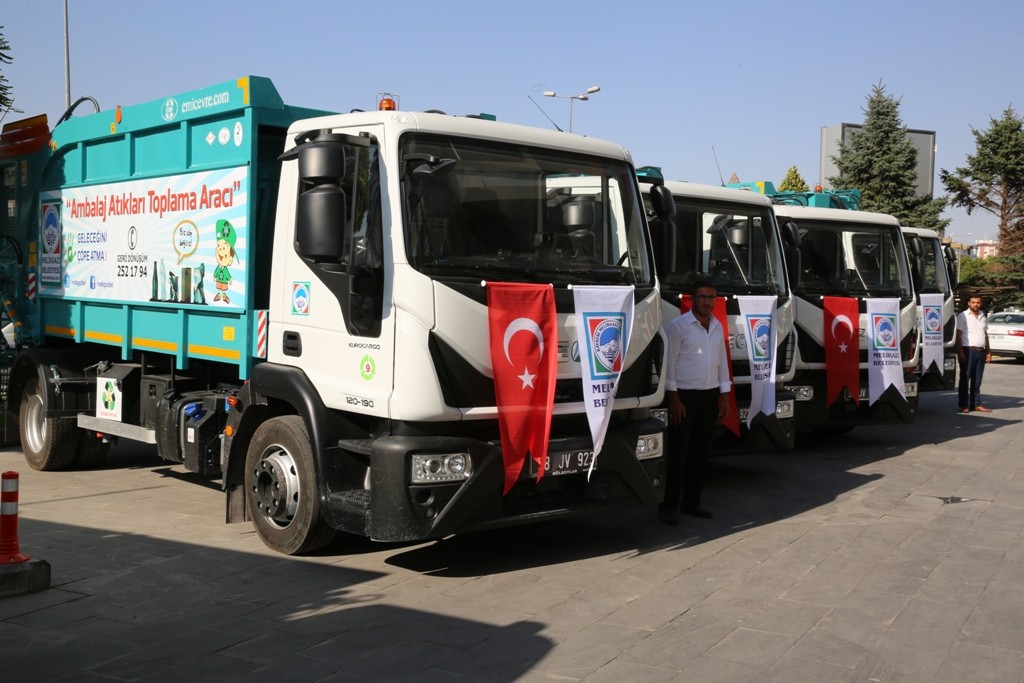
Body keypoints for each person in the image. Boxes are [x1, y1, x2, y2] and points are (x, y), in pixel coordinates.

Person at [658, 279, 732, 526]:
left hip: (709, 396)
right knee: (679, 454)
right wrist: (674, 398)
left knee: (701, 453)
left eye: (712, 297)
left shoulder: (718, 327)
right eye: (702, 297)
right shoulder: (678, 327)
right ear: (692, 300)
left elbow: (721, 363)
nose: (707, 302)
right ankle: (668, 506)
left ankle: (692, 502)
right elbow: (669, 366)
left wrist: (723, 395)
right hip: (685, 398)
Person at [956, 294, 993, 413]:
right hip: (968, 350)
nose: (975, 304)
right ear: (968, 303)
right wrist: (960, 352)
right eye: (973, 302)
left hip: (980, 351)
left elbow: (985, 335)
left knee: (977, 380)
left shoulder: (982, 315)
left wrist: (988, 351)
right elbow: (958, 335)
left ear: (981, 303)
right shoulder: (963, 316)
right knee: (965, 378)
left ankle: (976, 404)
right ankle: (963, 405)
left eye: (978, 302)